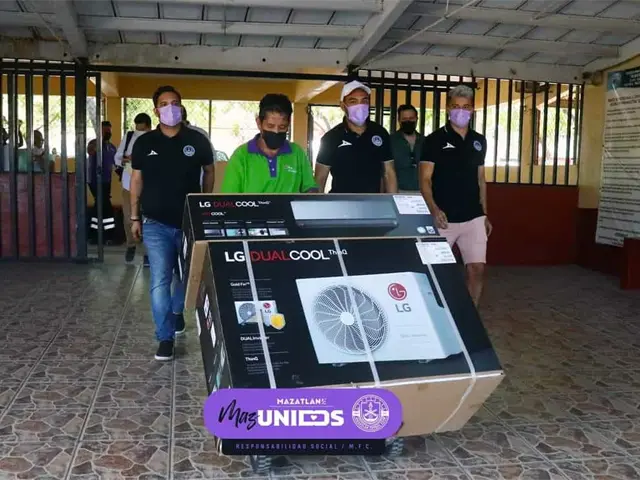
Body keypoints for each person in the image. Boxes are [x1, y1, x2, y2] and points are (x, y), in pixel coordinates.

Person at [130, 85, 215, 361]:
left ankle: (177, 310)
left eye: (175, 102)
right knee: (160, 279)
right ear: (156, 111)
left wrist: (204, 205)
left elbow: (209, 171)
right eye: (165, 104)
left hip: (189, 223)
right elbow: (136, 180)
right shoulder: (144, 143)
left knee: (187, 276)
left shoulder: (197, 140)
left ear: (182, 106)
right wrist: (134, 217)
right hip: (155, 223)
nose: (171, 108)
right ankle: (164, 338)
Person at [419, 84, 492, 307]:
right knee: (435, 271)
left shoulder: (479, 141)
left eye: (466, 107)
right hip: (444, 218)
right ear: (448, 109)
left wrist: (484, 214)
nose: (461, 111)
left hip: (473, 217)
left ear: (472, 110)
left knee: (476, 269)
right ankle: (435, 313)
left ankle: (470, 315)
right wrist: (434, 209)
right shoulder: (434, 140)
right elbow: (424, 180)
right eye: (456, 106)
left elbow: (481, 179)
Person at [221, 93, 318, 193]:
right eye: (270, 126)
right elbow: (229, 198)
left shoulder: (297, 153)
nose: (276, 131)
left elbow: (310, 188)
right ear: (259, 123)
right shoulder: (241, 157)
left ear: (288, 125)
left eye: (282, 127)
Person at [314, 80, 398, 194]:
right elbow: (320, 178)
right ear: (343, 106)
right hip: (341, 201)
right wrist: (318, 203)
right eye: (353, 101)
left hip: (372, 201)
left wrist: (393, 200)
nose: (360, 106)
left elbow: (389, 172)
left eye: (364, 101)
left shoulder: (380, 133)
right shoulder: (331, 138)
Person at [115, 113, 152, 264]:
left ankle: (147, 253)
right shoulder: (129, 137)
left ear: (149, 127)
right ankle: (131, 244)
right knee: (128, 217)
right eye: (137, 129)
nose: (138, 133)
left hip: (148, 186)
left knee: (148, 219)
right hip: (128, 184)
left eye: (142, 130)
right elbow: (117, 158)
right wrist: (126, 159)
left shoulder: (154, 139)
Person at [87, 121, 117, 242]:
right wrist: (100, 140)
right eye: (105, 131)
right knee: (105, 205)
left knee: (101, 205)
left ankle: (95, 234)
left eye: (109, 131)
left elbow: (116, 163)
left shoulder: (112, 147)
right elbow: (90, 151)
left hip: (106, 181)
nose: (107, 133)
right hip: (95, 180)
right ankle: (108, 234)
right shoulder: (94, 143)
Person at [390, 105, 424, 193]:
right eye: (404, 119)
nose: (408, 121)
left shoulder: (426, 142)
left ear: (417, 119)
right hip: (397, 191)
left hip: (423, 192)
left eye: (411, 118)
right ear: (399, 120)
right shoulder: (390, 142)